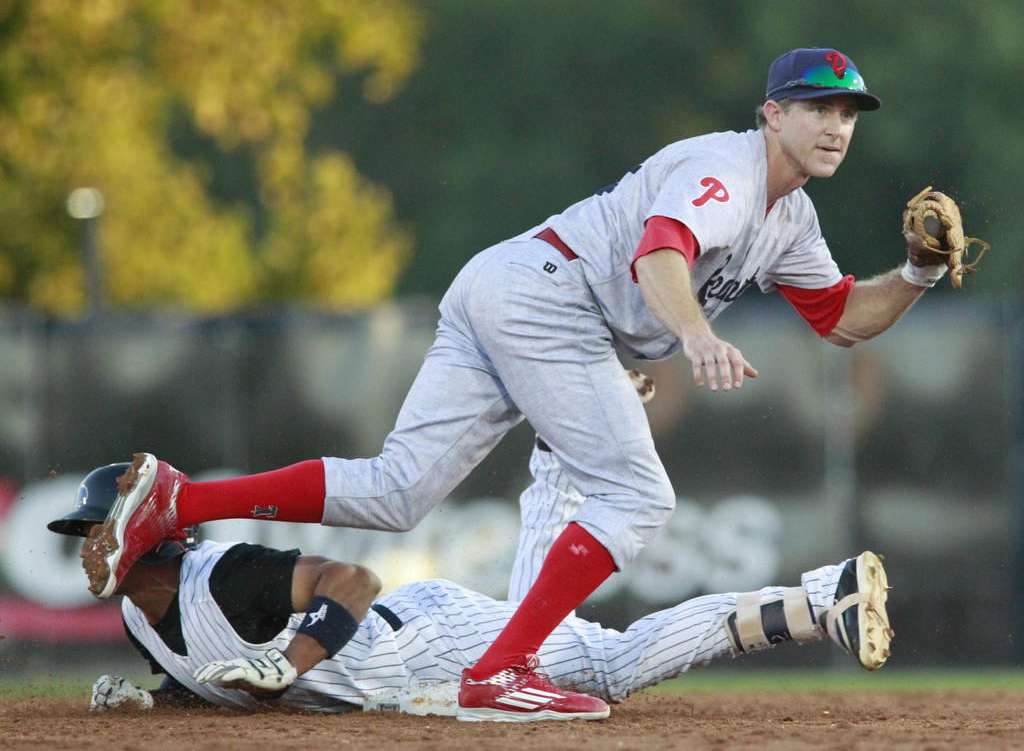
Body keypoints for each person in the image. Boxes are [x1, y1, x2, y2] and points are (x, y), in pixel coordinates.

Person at [82, 46, 925, 722]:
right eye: (816, 106)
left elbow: (844, 316)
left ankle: (179, 502)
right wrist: (695, 333)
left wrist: (921, 270)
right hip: (552, 297)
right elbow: (660, 247)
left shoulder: (791, 218)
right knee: (636, 495)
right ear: (771, 113)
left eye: (848, 111)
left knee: (395, 490)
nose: (835, 124)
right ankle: (501, 670)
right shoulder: (732, 172)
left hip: (509, 282)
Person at [53, 463, 892, 718]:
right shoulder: (137, 611)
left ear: (149, 539)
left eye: (95, 532)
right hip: (404, 677)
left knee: (609, 664)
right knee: (538, 603)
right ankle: (566, 460)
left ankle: (824, 595)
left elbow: (354, 578)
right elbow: (216, 673)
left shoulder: (224, 574)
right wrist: (159, 703)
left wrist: (291, 658)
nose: (87, 550)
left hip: (423, 638)